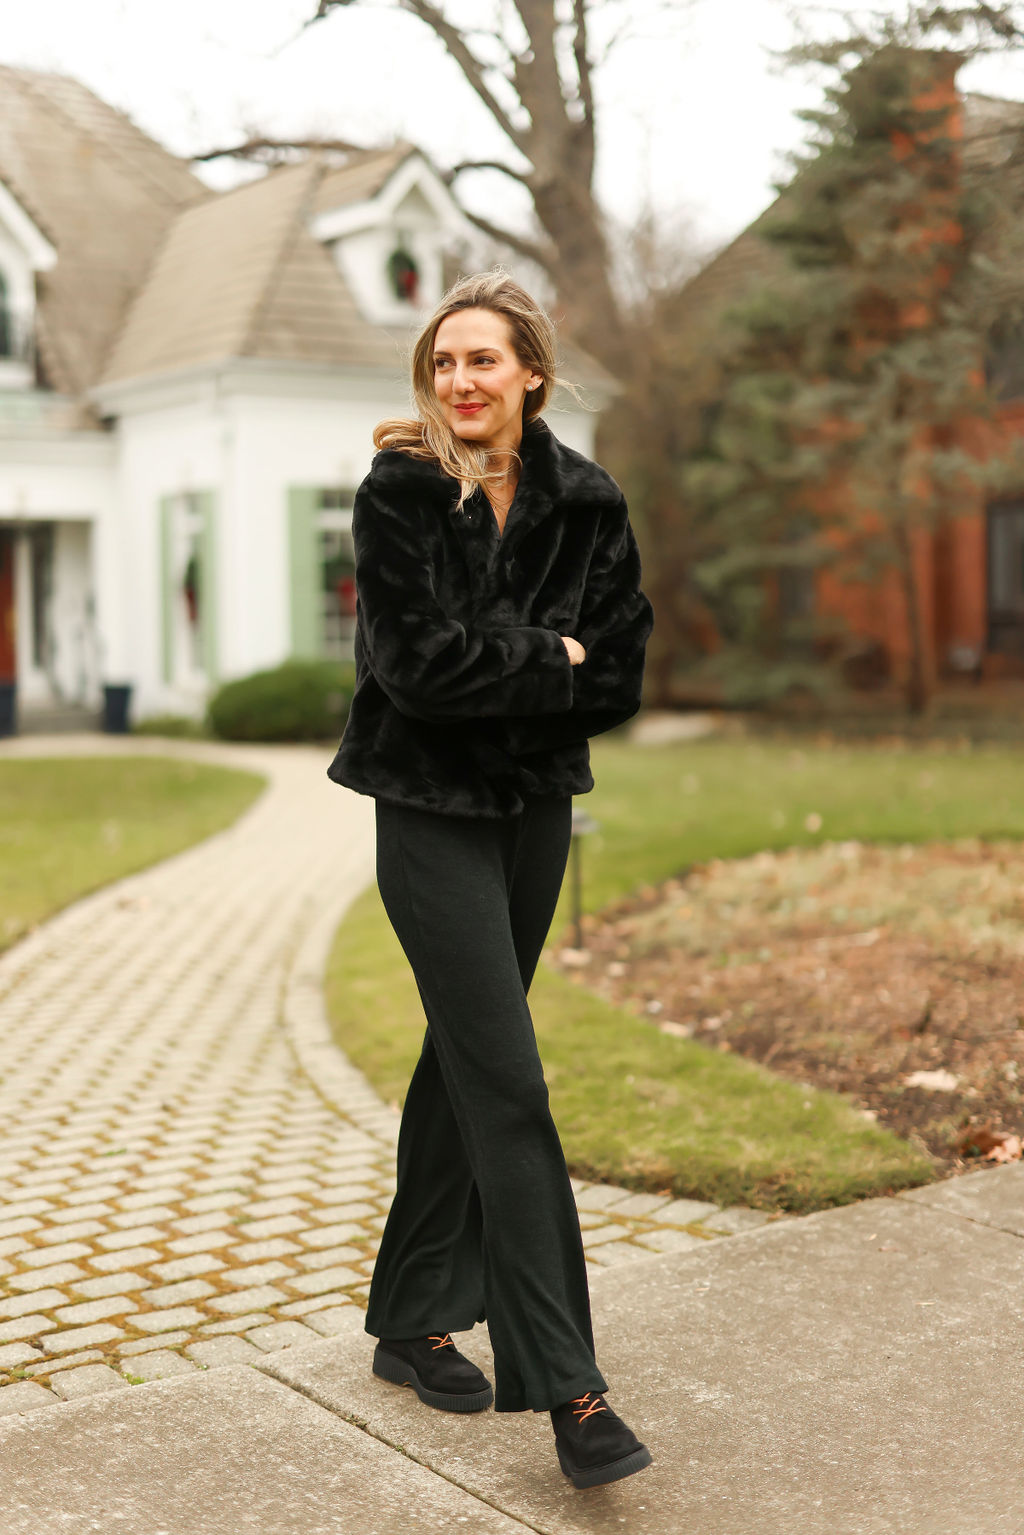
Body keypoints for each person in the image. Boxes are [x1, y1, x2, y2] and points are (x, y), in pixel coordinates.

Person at [326, 270, 655, 1490]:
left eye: (483, 360)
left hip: (530, 818)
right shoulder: (401, 490)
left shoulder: (588, 499)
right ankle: (570, 1386)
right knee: (509, 1081)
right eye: (443, 362)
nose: (460, 380)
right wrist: (548, 657)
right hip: (425, 811)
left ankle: (409, 1317)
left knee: (463, 1055)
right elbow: (414, 668)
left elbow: (618, 669)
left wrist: (539, 664)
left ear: (531, 373)